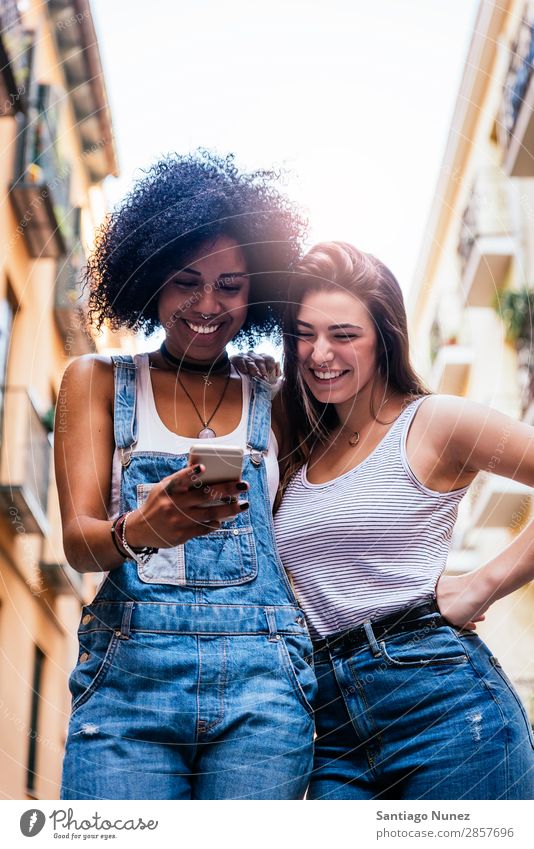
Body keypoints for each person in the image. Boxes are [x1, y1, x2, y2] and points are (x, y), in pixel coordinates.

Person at [56, 150, 316, 800]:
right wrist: (138, 527)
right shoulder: (97, 382)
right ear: (149, 279)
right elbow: (76, 543)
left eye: (230, 286)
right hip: (129, 684)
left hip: (263, 689)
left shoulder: (274, 397)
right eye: (185, 281)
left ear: (257, 289)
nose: (207, 305)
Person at [272, 240, 534, 800]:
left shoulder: (433, 422)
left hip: (446, 708)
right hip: (331, 724)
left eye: (344, 335)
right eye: (305, 333)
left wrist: (482, 584)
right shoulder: (299, 445)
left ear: (383, 339)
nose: (320, 353)